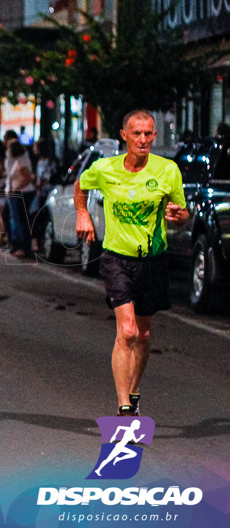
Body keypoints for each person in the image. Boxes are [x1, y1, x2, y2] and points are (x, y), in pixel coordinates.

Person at [75, 110, 188, 417]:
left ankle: (134, 392)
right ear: (123, 135)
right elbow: (81, 184)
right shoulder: (104, 168)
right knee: (127, 331)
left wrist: (179, 217)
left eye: (149, 133)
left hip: (152, 260)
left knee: (145, 333)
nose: (143, 140)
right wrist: (82, 214)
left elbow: (180, 213)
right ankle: (124, 407)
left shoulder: (167, 171)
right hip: (117, 258)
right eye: (136, 133)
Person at [6, 141, 36, 258]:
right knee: (18, 220)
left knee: (21, 221)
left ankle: (24, 247)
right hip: (20, 193)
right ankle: (19, 245)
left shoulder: (21, 161)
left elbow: (28, 178)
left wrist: (15, 189)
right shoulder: (20, 159)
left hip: (23, 193)